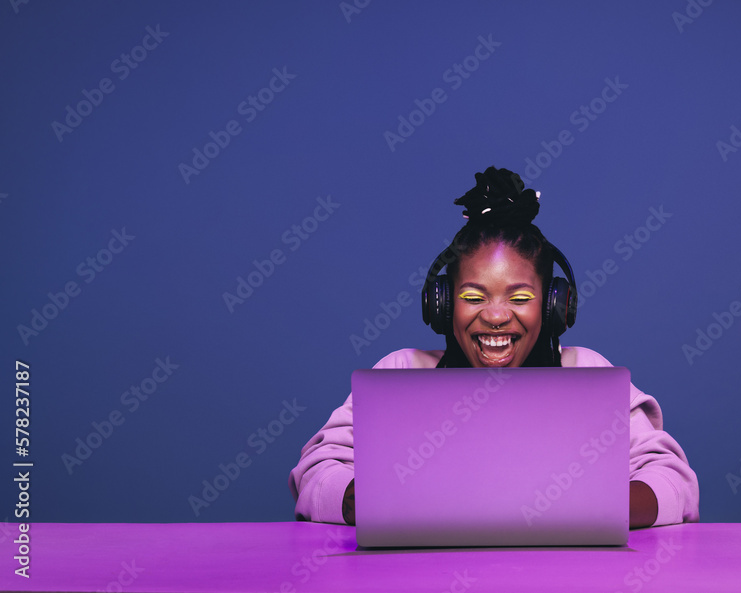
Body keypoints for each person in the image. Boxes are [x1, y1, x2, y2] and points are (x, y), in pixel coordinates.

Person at [289, 167, 699, 528]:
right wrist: (380, 503)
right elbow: (315, 475)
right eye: (473, 296)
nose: (497, 316)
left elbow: (674, 483)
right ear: (443, 305)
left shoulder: (586, 372)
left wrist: (584, 508)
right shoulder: (401, 372)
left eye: (519, 298)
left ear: (555, 306)